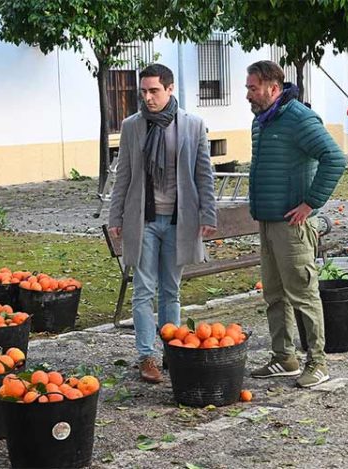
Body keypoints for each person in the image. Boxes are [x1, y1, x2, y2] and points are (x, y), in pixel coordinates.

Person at [108, 64, 217, 383]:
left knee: (171, 289)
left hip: (178, 221)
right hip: (142, 220)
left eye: (154, 90)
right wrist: (116, 217)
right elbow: (123, 175)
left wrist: (208, 213)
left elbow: (203, 174)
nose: (148, 97)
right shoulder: (132, 126)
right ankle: (146, 356)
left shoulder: (193, 125)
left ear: (170, 89)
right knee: (143, 289)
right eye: (143, 91)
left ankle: (173, 349)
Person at [245, 60, 346, 388]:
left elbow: (335, 157)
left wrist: (311, 203)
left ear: (273, 89)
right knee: (274, 294)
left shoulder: (298, 118)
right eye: (248, 87)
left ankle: (318, 361)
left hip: (293, 226)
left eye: (252, 88)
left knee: (303, 293)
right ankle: (283, 357)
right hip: (268, 221)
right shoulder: (261, 122)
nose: (248, 94)